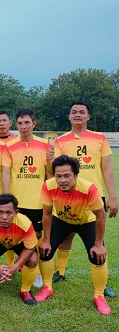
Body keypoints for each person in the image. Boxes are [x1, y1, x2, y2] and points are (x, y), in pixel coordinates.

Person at [50, 102, 117, 298]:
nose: (77, 115)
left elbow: (107, 169)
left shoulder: (99, 138)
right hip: (68, 195)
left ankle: (102, 284)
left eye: (82, 112)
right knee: (66, 236)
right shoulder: (61, 141)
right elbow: (56, 171)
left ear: (88, 116)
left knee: (97, 240)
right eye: (74, 112)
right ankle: (60, 272)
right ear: (69, 117)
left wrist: (112, 196)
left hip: (94, 196)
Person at [36, 155, 110, 315]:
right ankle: (47, 287)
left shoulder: (89, 189)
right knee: (44, 251)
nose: (62, 180)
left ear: (76, 175)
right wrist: (46, 240)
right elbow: (47, 214)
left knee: (98, 256)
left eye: (67, 176)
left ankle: (99, 295)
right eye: (58, 176)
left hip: (86, 222)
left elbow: (100, 215)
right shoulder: (48, 186)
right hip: (61, 220)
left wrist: (98, 244)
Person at [2, 109, 52, 285]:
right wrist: (7, 197)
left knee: (35, 235)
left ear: (34, 124)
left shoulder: (45, 144)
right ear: (16, 125)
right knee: (13, 233)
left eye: (27, 123)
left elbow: (49, 174)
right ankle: (12, 265)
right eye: (20, 123)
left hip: (37, 201)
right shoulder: (9, 146)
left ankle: (35, 270)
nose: (24, 127)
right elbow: (6, 173)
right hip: (17, 200)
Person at [0, 194, 39, 305]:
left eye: (9, 213)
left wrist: (15, 267)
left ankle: (25, 290)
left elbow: (30, 247)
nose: (4, 217)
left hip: (18, 243)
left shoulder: (25, 223)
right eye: (0, 212)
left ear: (16, 212)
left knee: (33, 260)